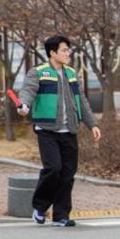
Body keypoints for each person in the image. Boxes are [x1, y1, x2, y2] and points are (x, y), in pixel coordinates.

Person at [17, 34, 101, 227]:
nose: (67, 53)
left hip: (69, 130)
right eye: (64, 50)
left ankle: (61, 215)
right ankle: (40, 207)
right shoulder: (38, 72)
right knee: (53, 168)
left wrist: (93, 124)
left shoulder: (72, 73)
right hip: (47, 130)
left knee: (68, 173)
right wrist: (24, 105)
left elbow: (82, 101)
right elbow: (28, 91)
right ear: (52, 52)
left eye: (68, 49)